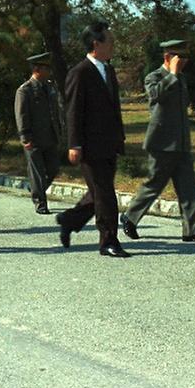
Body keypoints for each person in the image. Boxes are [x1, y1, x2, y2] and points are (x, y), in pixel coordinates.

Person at [120, 40, 195, 243]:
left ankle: (193, 231)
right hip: (161, 143)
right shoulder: (154, 77)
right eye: (180, 58)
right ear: (167, 57)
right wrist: (171, 74)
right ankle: (130, 217)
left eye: (185, 58)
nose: (184, 62)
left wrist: (176, 76)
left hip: (180, 142)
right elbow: (155, 95)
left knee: (188, 187)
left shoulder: (181, 79)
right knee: (154, 184)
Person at [55, 21, 131, 258]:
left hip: (109, 142)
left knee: (98, 192)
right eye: (110, 41)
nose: (113, 45)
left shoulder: (108, 70)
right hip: (89, 145)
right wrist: (74, 143)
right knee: (106, 193)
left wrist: (120, 136)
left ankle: (69, 220)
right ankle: (108, 241)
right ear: (96, 44)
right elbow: (73, 111)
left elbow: (113, 107)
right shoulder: (80, 72)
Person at [15, 51, 64, 215]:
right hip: (33, 138)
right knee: (37, 171)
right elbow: (21, 115)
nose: (49, 71)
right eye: (46, 68)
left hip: (50, 136)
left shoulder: (49, 87)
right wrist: (25, 137)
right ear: (37, 69)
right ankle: (40, 203)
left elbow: (55, 111)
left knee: (53, 168)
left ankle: (36, 189)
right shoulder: (25, 90)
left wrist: (59, 131)